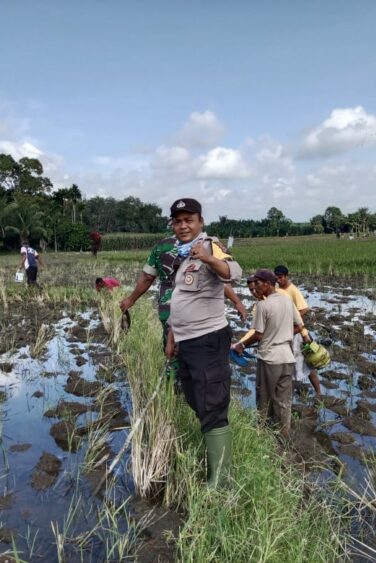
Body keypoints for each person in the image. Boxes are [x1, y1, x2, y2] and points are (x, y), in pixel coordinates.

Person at [163, 198, 242, 488]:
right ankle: (214, 452)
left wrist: (207, 257)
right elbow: (181, 300)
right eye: (178, 221)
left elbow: (234, 272)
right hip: (187, 341)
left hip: (207, 339)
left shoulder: (210, 245)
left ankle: (221, 481)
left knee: (211, 403)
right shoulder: (181, 255)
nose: (183, 225)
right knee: (195, 397)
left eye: (189, 220)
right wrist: (172, 337)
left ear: (200, 222)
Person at [119, 222, 246, 376]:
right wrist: (237, 301)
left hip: (171, 308)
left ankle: (175, 387)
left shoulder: (162, 246)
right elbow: (219, 279)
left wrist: (131, 299)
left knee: (172, 353)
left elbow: (147, 277)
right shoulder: (207, 245)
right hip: (201, 312)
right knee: (201, 356)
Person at [233, 269, 306, 438]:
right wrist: (284, 334)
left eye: (258, 284)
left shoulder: (263, 306)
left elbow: (258, 334)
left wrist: (241, 345)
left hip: (269, 358)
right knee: (283, 399)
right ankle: (284, 433)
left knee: (264, 397)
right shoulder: (287, 301)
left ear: (267, 284)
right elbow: (300, 325)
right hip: (287, 357)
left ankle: (262, 433)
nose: (255, 288)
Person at [273, 265, 322, 397]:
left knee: (307, 363)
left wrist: (291, 320)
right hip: (284, 331)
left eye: (280, 277)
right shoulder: (276, 289)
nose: (278, 280)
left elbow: (304, 309)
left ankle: (318, 393)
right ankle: (286, 392)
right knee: (286, 362)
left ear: (287, 276)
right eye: (276, 277)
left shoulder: (292, 290)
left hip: (297, 332)